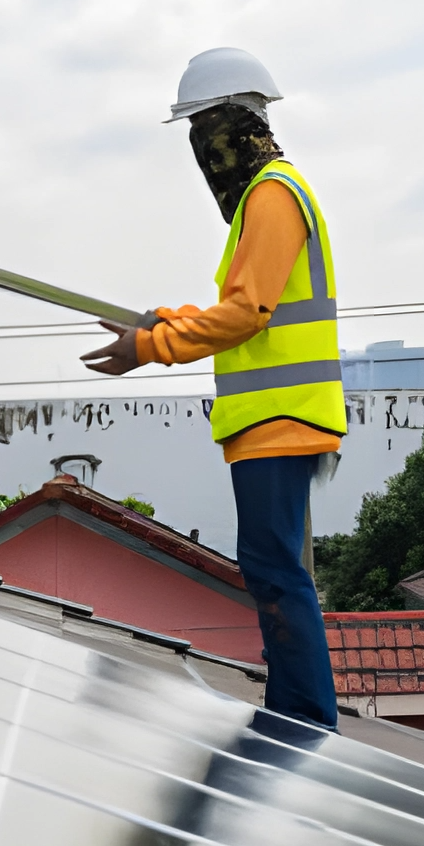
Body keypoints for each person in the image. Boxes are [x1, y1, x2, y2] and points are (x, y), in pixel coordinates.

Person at [80, 49, 343, 729]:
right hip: (274, 419)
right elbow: (241, 308)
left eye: (203, 127)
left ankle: (305, 715)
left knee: (274, 569)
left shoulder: (273, 196)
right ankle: (299, 707)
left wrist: (149, 348)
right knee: (271, 566)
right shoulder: (270, 195)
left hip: (281, 417)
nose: (202, 148)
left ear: (231, 123)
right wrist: (161, 324)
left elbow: (245, 314)